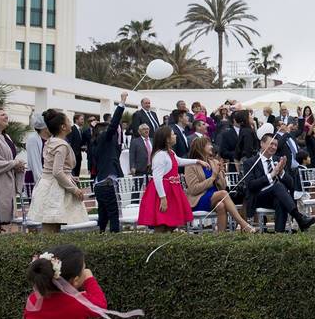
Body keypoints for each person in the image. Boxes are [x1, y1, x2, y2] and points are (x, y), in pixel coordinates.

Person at [25, 244, 143, 319]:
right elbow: (100, 306)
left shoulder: (34, 300)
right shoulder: (79, 302)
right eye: (84, 269)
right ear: (75, 280)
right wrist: (89, 279)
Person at [136, 125, 210, 233]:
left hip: (172, 190)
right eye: (172, 134)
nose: (175, 136)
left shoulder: (170, 152)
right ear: (167, 139)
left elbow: (178, 161)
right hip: (163, 192)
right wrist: (163, 198)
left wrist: (197, 161)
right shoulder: (160, 155)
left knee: (172, 222)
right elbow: (157, 178)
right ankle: (158, 246)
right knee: (161, 223)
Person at [28, 110, 88, 233]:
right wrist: (74, 189)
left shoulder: (51, 142)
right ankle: (46, 253)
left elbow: (55, 169)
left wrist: (69, 176)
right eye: (69, 121)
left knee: (52, 228)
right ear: (63, 127)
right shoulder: (61, 145)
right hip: (54, 189)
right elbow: (57, 172)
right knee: (50, 229)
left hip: (47, 186)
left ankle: (49, 253)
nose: (71, 123)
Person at [242, 134, 315, 233]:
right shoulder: (250, 162)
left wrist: (281, 172)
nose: (273, 147)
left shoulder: (278, 160)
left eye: (276, 145)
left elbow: (291, 184)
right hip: (259, 197)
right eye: (271, 144)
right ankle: (299, 218)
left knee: (280, 199)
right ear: (262, 144)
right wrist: (272, 174)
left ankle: (279, 234)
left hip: (277, 196)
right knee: (278, 186)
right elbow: (251, 185)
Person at [184, 138, 255, 233]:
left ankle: (220, 237)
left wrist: (220, 174)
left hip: (215, 197)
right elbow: (193, 189)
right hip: (198, 199)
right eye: (208, 144)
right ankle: (243, 224)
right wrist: (212, 177)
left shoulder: (214, 162)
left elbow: (223, 186)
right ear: (200, 147)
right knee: (223, 194)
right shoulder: (191, 165)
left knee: (221, 205)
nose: (211, 146)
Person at [93, 93, 129, 233]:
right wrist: (122, 102)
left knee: (103, 216)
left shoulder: (96, 144)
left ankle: (101, 235)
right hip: (107, 184)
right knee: (114, 215)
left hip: (100, 185)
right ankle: (115, 238)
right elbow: (114, 124)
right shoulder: (104, 139)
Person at [0, 108, 24, 232]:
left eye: (6, 114)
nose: (6, 117)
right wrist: (13, 164)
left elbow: (12, 158)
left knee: (2, 225)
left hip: (7, 181)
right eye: (2, 115)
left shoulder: (6, 136)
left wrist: (18, 165)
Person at [25, 115, 50, 193]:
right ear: (44, 128)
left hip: (48, 180)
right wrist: (42, 184)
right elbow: (35, 164)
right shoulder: (33, 139)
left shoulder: (51, 139)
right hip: (36, 178)